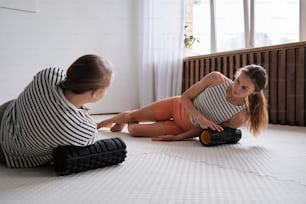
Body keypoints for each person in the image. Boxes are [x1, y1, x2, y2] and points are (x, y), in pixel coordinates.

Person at [98, 64, 268, 141]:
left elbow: (204, 130)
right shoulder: (216, 79)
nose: (237, 88)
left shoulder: (239, 117)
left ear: (254, 92)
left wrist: (178, 137)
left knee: (134, 130)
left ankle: (125, 121)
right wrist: (200, 117)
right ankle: (100, 124)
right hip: (176, 106)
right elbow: (185, 96)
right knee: (132, 115)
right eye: (238, 81)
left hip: (183, 127)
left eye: (244, 88)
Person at [0, 54, 113, 168]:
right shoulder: (83, 129)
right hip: (8, 151)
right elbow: (91, 132)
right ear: (94, 93)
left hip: (3, 114)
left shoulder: (48, 75)